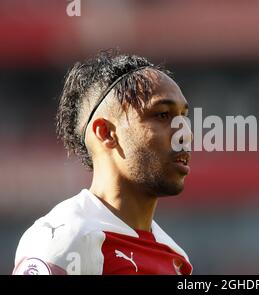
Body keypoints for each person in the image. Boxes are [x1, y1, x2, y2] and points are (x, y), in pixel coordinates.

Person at [13, 50, 193, 275]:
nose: (185, 134)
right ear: (106, 132)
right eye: (163, 115)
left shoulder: (176, 258)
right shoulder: (67, 240)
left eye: (184, 118)